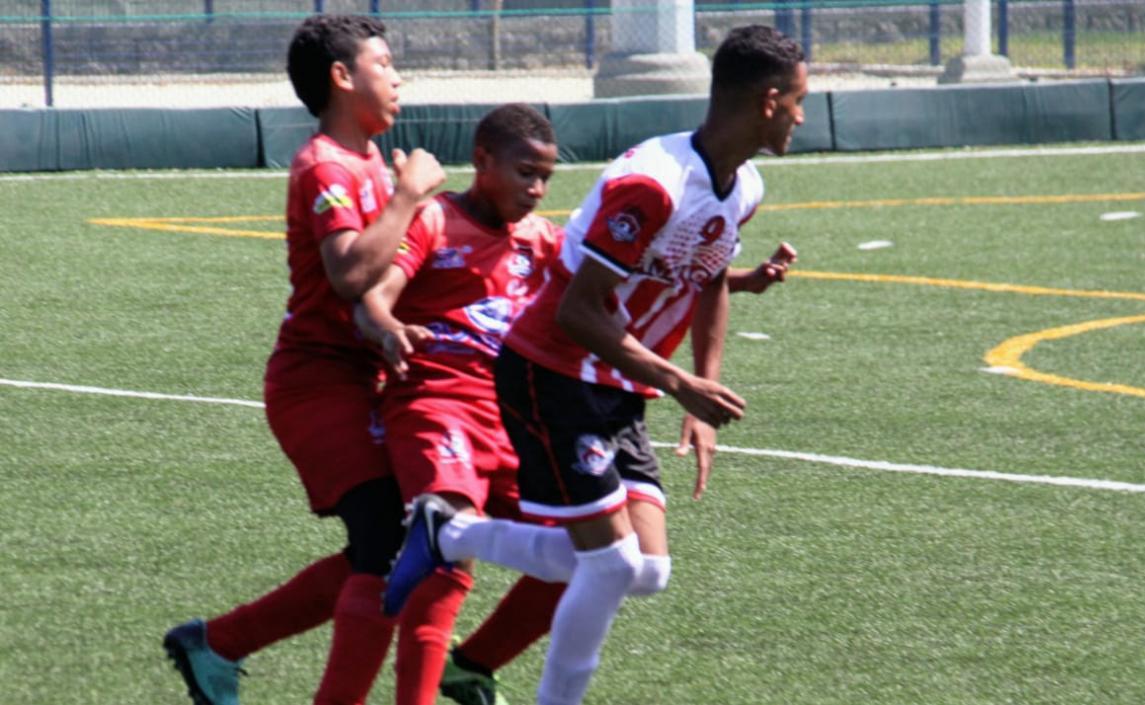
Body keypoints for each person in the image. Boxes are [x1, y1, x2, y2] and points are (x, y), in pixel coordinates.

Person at [385, 24, 808, 705]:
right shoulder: (654, 184)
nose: (801, 115)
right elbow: (575, 312)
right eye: (798, 100)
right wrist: (678, 381)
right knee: (608, 565)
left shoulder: (745, 186)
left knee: (647, 569)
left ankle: (450, 540)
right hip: (553, 370)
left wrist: (706, 386)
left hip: (616, 382)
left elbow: (704, 278)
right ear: (767, 100)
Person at [163, 14, 444, 705]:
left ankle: (216, 643)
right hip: (317, 382)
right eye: (384, 63)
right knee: (385, 543)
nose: (398, 75)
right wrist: (411, 197)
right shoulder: (326, 162)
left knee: (385, 549)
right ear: (342, 78)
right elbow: (349, 273)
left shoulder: (375, 158)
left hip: (366, 377)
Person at [351, 102, 567, 705]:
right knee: (445, 557)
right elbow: (372, 299)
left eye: (546, 177)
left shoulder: (539, 240)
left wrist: (729, 278)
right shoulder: (434, 222)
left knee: (582, 553)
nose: (537, 189)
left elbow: (604, 276)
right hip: (435, 405)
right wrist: (387, 327)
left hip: (512, 421)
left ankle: (472, 664)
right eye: (526, 172)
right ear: (481, 162)